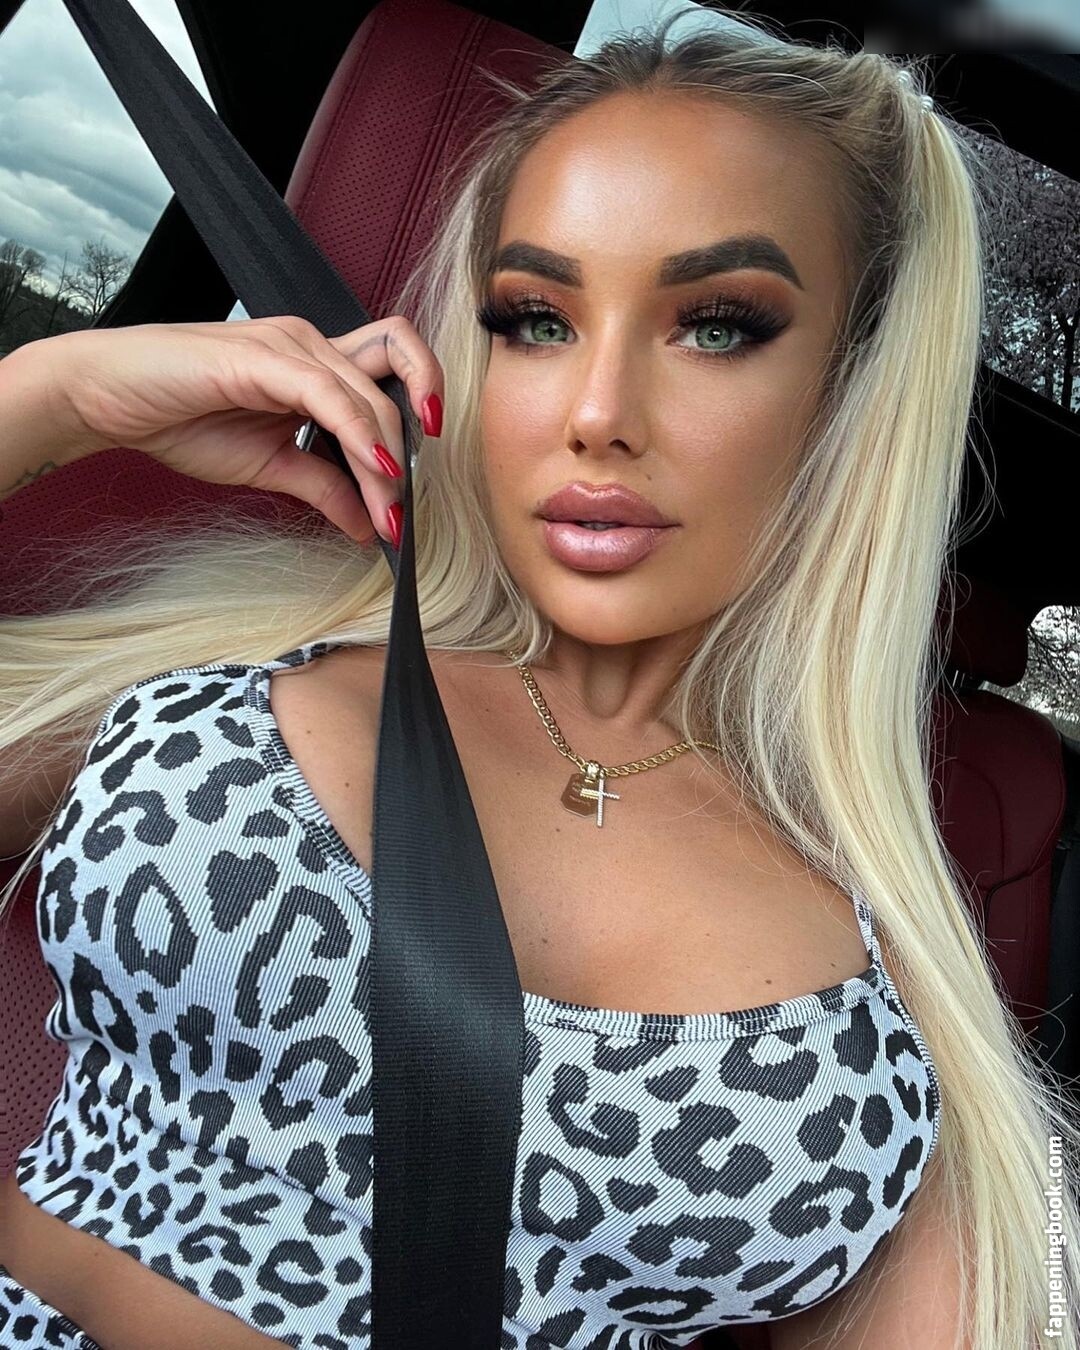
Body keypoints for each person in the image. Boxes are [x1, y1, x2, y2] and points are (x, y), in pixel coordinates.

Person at [0, 6, 1077, 1348]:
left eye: (718, 326)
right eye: (535, 320)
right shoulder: (226, 667)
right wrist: (46, 400)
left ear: (854, 393)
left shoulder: (899, 1010)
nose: (596, 412)